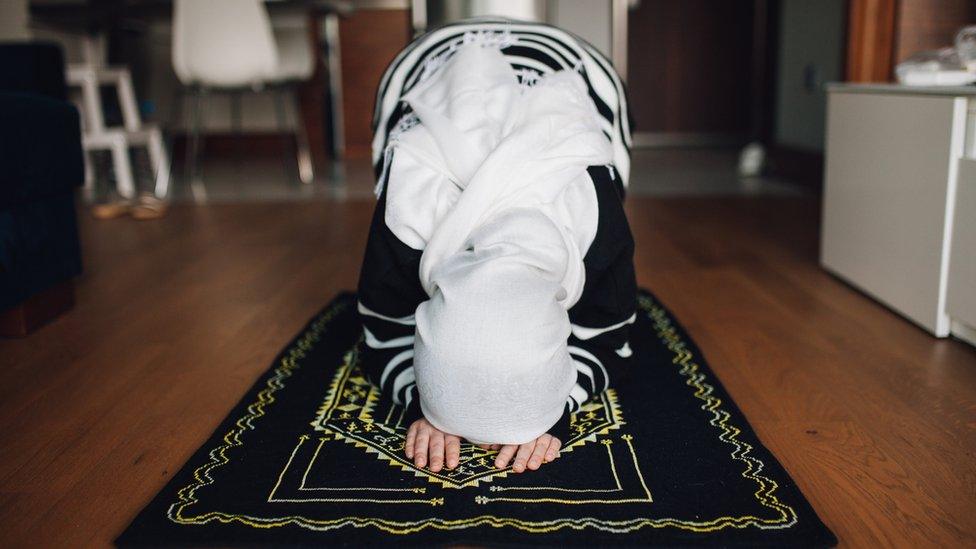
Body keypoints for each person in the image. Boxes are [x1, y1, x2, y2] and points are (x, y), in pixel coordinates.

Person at [357, 18, 635, 475]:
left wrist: (554, 409)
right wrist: (422, 402)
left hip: (573, 73)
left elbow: (612, 335)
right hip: (429, 66)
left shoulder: (599, 225)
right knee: (400, 130)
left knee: (601, 128)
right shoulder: (403, 218)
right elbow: (381, 328)